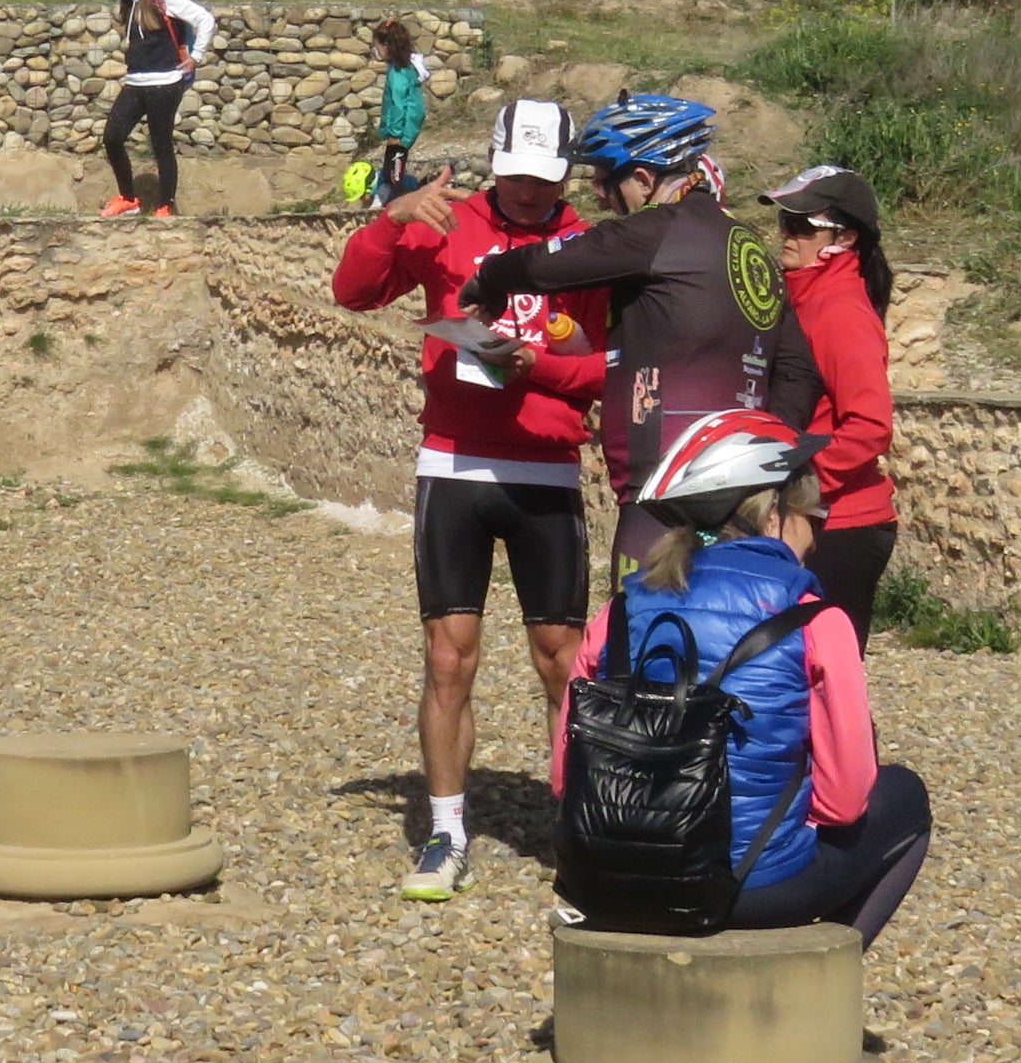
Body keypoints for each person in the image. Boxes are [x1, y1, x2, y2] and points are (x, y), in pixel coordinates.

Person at [332, 98, 611, 901]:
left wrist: (545, 369)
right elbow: (352, 292)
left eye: (545, 178)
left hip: (548, 468)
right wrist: (392, 219)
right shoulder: (444, 219)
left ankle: (576, 827)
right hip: (454, 464)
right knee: (448, 657)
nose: (529, 192)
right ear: (495, 159)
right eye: (517, 176)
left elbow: (606, 367)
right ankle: (447, 830)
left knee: (562, 661)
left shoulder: (589, 245)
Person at [554, 410, 930, 938]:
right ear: (773, 512)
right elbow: (844, 803)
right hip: (754, 888)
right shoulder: (813, 617)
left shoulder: (617, 613)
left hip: (610, 877)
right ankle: (816, 983)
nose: (816, 533)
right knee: (905, 797)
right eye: (812, 512)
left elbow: (563, 778)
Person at [458, 92, 821, 570]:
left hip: (663, 492)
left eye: (606, 183)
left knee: (643, 636)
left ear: (645, 179)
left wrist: (490, 280)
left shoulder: (658, 229)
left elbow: (553, 261)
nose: (601, 198)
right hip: (744, 491)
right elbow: (800, 372)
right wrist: (762, 462)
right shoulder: (752, 246)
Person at [765, 164, 900, 642]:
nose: (786, 235)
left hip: (840, 525)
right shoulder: (808, 297)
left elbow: (870, 425)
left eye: (802, 226)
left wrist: (800, 494)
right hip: (817, 518)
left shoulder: (840, 309)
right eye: (784, 222)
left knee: (823, 683)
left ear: (843, 239)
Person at [100, 0, 216, 217]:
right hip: (136, 81)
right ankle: (129, 198)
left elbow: (205, 19)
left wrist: (196, 57)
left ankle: (166, 205)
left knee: (160, 143)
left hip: (165, 82)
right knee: (112, 137)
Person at [366, 19, 432, 207]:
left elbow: (397, 104)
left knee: (393, 174)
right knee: (392, 171)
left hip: (401, 131)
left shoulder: (397, 74)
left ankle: (395, 205)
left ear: (386, 46)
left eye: (377, 47)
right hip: (407, 126)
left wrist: (395, 134)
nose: (376, 51)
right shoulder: (406, 68)